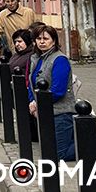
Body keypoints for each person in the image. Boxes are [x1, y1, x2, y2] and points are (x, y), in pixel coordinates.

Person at [27, 24, 76, 160]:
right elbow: (31, 83)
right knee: (48, 149)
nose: (42, 42)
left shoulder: (60, 59)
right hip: (44, 111)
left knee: (59, 154)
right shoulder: (36, 58)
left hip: (61, 112)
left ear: (53, 41)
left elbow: (58, 90)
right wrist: (32, 100)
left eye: (46, 39)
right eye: (38, 39)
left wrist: (38, 104)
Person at [8, 28, 38, 142]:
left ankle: (32, 135)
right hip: (16, 89)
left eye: (20, 41)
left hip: (25, 90)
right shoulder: (18, 55)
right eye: (15, 42)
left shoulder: (31, 56)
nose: (17, 44)